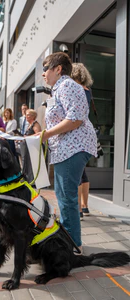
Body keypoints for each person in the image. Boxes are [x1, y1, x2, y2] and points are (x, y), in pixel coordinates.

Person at [37, 52, 97, 253]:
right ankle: (70, 241)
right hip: (66, 148)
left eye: (46, 68)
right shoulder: (59, 89)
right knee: (64, 196)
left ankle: (72, 245)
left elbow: (75, 119)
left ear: (58, 69)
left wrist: (45, 135)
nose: (43, 73)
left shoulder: (67, 85)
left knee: (66, 197)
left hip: (73, 147)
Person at [71, 62, 94, 219]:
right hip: (86, 134)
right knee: (83, 173)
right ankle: (85, 206)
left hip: (76, 134)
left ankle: (78, 209)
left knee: (76, 174)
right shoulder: (87, 90)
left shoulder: (76, 89)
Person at [21, 109, 41, 183]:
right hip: (27, 147)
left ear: (33, 116)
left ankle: (32, 180)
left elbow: (38, 134)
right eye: (26, 114)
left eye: (28, 114)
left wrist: (27, 137)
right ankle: (26, 179)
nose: (26, 116)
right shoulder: (29, 125)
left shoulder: (35, 124)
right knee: (26, 162)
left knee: (31, 164)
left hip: (33, 147)